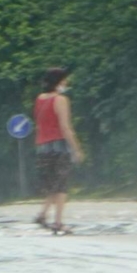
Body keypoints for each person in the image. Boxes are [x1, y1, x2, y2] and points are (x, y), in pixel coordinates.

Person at [31, 68, 82, 235]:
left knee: (52, 183)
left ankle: (43, 215)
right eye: (64, 80)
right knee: (61, 186)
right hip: (59, 145)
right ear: (58, 81)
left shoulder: (40, 99)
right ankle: (58, 222)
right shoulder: (61, 100)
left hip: (42, 146)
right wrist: (76, 149)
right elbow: (65, 127)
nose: (66, 83)